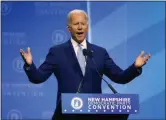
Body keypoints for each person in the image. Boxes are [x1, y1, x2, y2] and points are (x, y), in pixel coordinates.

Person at [20, 9, 150, 120]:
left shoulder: (99, 52)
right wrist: (30, 65)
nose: (80, 27)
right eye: (76, 24)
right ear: (69, 28)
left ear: (87, 26)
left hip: (95, 115)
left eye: (83, 23)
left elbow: (120, 77)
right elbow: (38, 77)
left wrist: (135, 67)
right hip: (67, 115)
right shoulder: (57, 52)